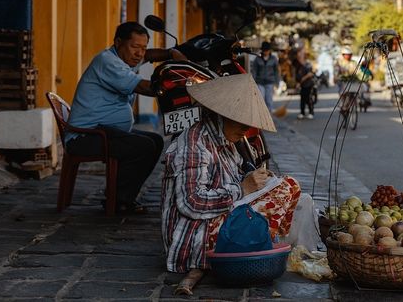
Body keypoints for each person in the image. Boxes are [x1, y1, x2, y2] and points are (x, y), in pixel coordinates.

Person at [161, 74, 301, 294]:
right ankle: (253, 244)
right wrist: (243, 188)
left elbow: (232, 178)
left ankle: (258, 241)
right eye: (240, 120)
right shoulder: (195, 144)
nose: (246, 128)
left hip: (219, 217)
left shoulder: (226, 141)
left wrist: (255, 180)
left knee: (288, 186)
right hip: (197, 236)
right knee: (284, 189)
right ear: (222, 115)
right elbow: (191, 202)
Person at [66, 21, 185, 214]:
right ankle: (118, 199)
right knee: (143, 146)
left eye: (143, 47)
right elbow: (143, 87)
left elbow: (149, 55)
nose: (139, 53)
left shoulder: (125, 59)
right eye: (135, 47)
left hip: (105, 131)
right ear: (118, 42)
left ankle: (122, 195)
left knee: (155, 141)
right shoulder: (108, 62)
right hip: (85, 137)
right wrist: (180, 84)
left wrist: (171, 53)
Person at [251, 41, 279, 110]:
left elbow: (276, 71)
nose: (266, 52)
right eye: (264, 50)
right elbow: (254, 71)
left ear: (269, 50)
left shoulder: (273, 59)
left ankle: (269, 114)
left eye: (267, 50)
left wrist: (277, 83)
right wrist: (253, 82)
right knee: (261, 99)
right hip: (260, 82)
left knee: (269, 100)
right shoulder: (257, 58)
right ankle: (261, 114)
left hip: (270, 82)